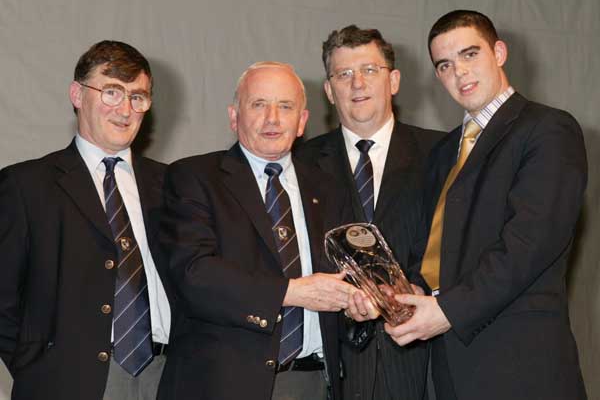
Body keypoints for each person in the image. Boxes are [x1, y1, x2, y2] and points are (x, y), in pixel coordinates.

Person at [354, 10, 587, 400]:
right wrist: (401, 294)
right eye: (445, 65)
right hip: (450, 370)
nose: (459, 72)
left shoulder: (548, 129)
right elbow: (437, 254)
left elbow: (529, 244)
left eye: (469, 54)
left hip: (522, 366)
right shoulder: (444, 151)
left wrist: (445, 311)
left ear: (499, 52)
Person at [157, 61, 355, 400]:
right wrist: (288, 292)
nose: (273, 118)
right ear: (234, 117)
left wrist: (359, 302)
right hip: (223, 386)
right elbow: (194, 274)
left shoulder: (330, 188)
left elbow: (342, 276)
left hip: (313, 382)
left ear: (302, 122)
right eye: (259, 104)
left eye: (286, 106)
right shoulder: (194, 178)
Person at [0, 40, 171, 399]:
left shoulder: (173, 184)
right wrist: (40, 368)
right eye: (112, 92)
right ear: (78, 94)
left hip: (166, 378)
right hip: (67, 381)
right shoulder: (25, 185)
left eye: (137, 97)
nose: (125, 109)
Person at [297, 25, 443, 400]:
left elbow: (464, 247)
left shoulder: (441, 154)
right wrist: (348, 301)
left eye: (369, 70)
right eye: (343, 74)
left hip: (425, 364)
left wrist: (420, 290)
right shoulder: (300, 164)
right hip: (338, 369)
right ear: (329, 91)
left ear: (393, 80)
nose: (357, 83)